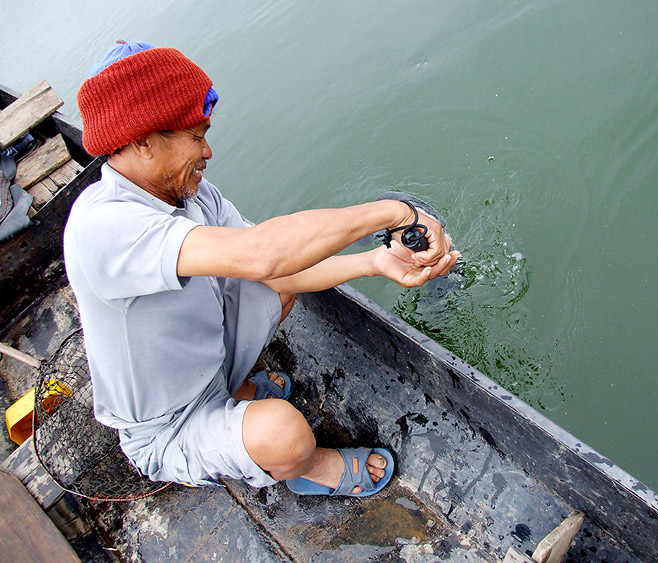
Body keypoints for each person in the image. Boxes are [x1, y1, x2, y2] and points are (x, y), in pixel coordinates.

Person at [64, 41, 459, 497]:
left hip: (212, 371)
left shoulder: (191, 194)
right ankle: (310, 469)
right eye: (196, 135)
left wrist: (375, 261)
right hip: (168, 426)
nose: (207, 150)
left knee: (283, 284)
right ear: (142, 142)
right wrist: (393, 212)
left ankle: (230, 395)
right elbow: (262, 254)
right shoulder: (102, 226)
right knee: (285, 435)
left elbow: (277, 271)